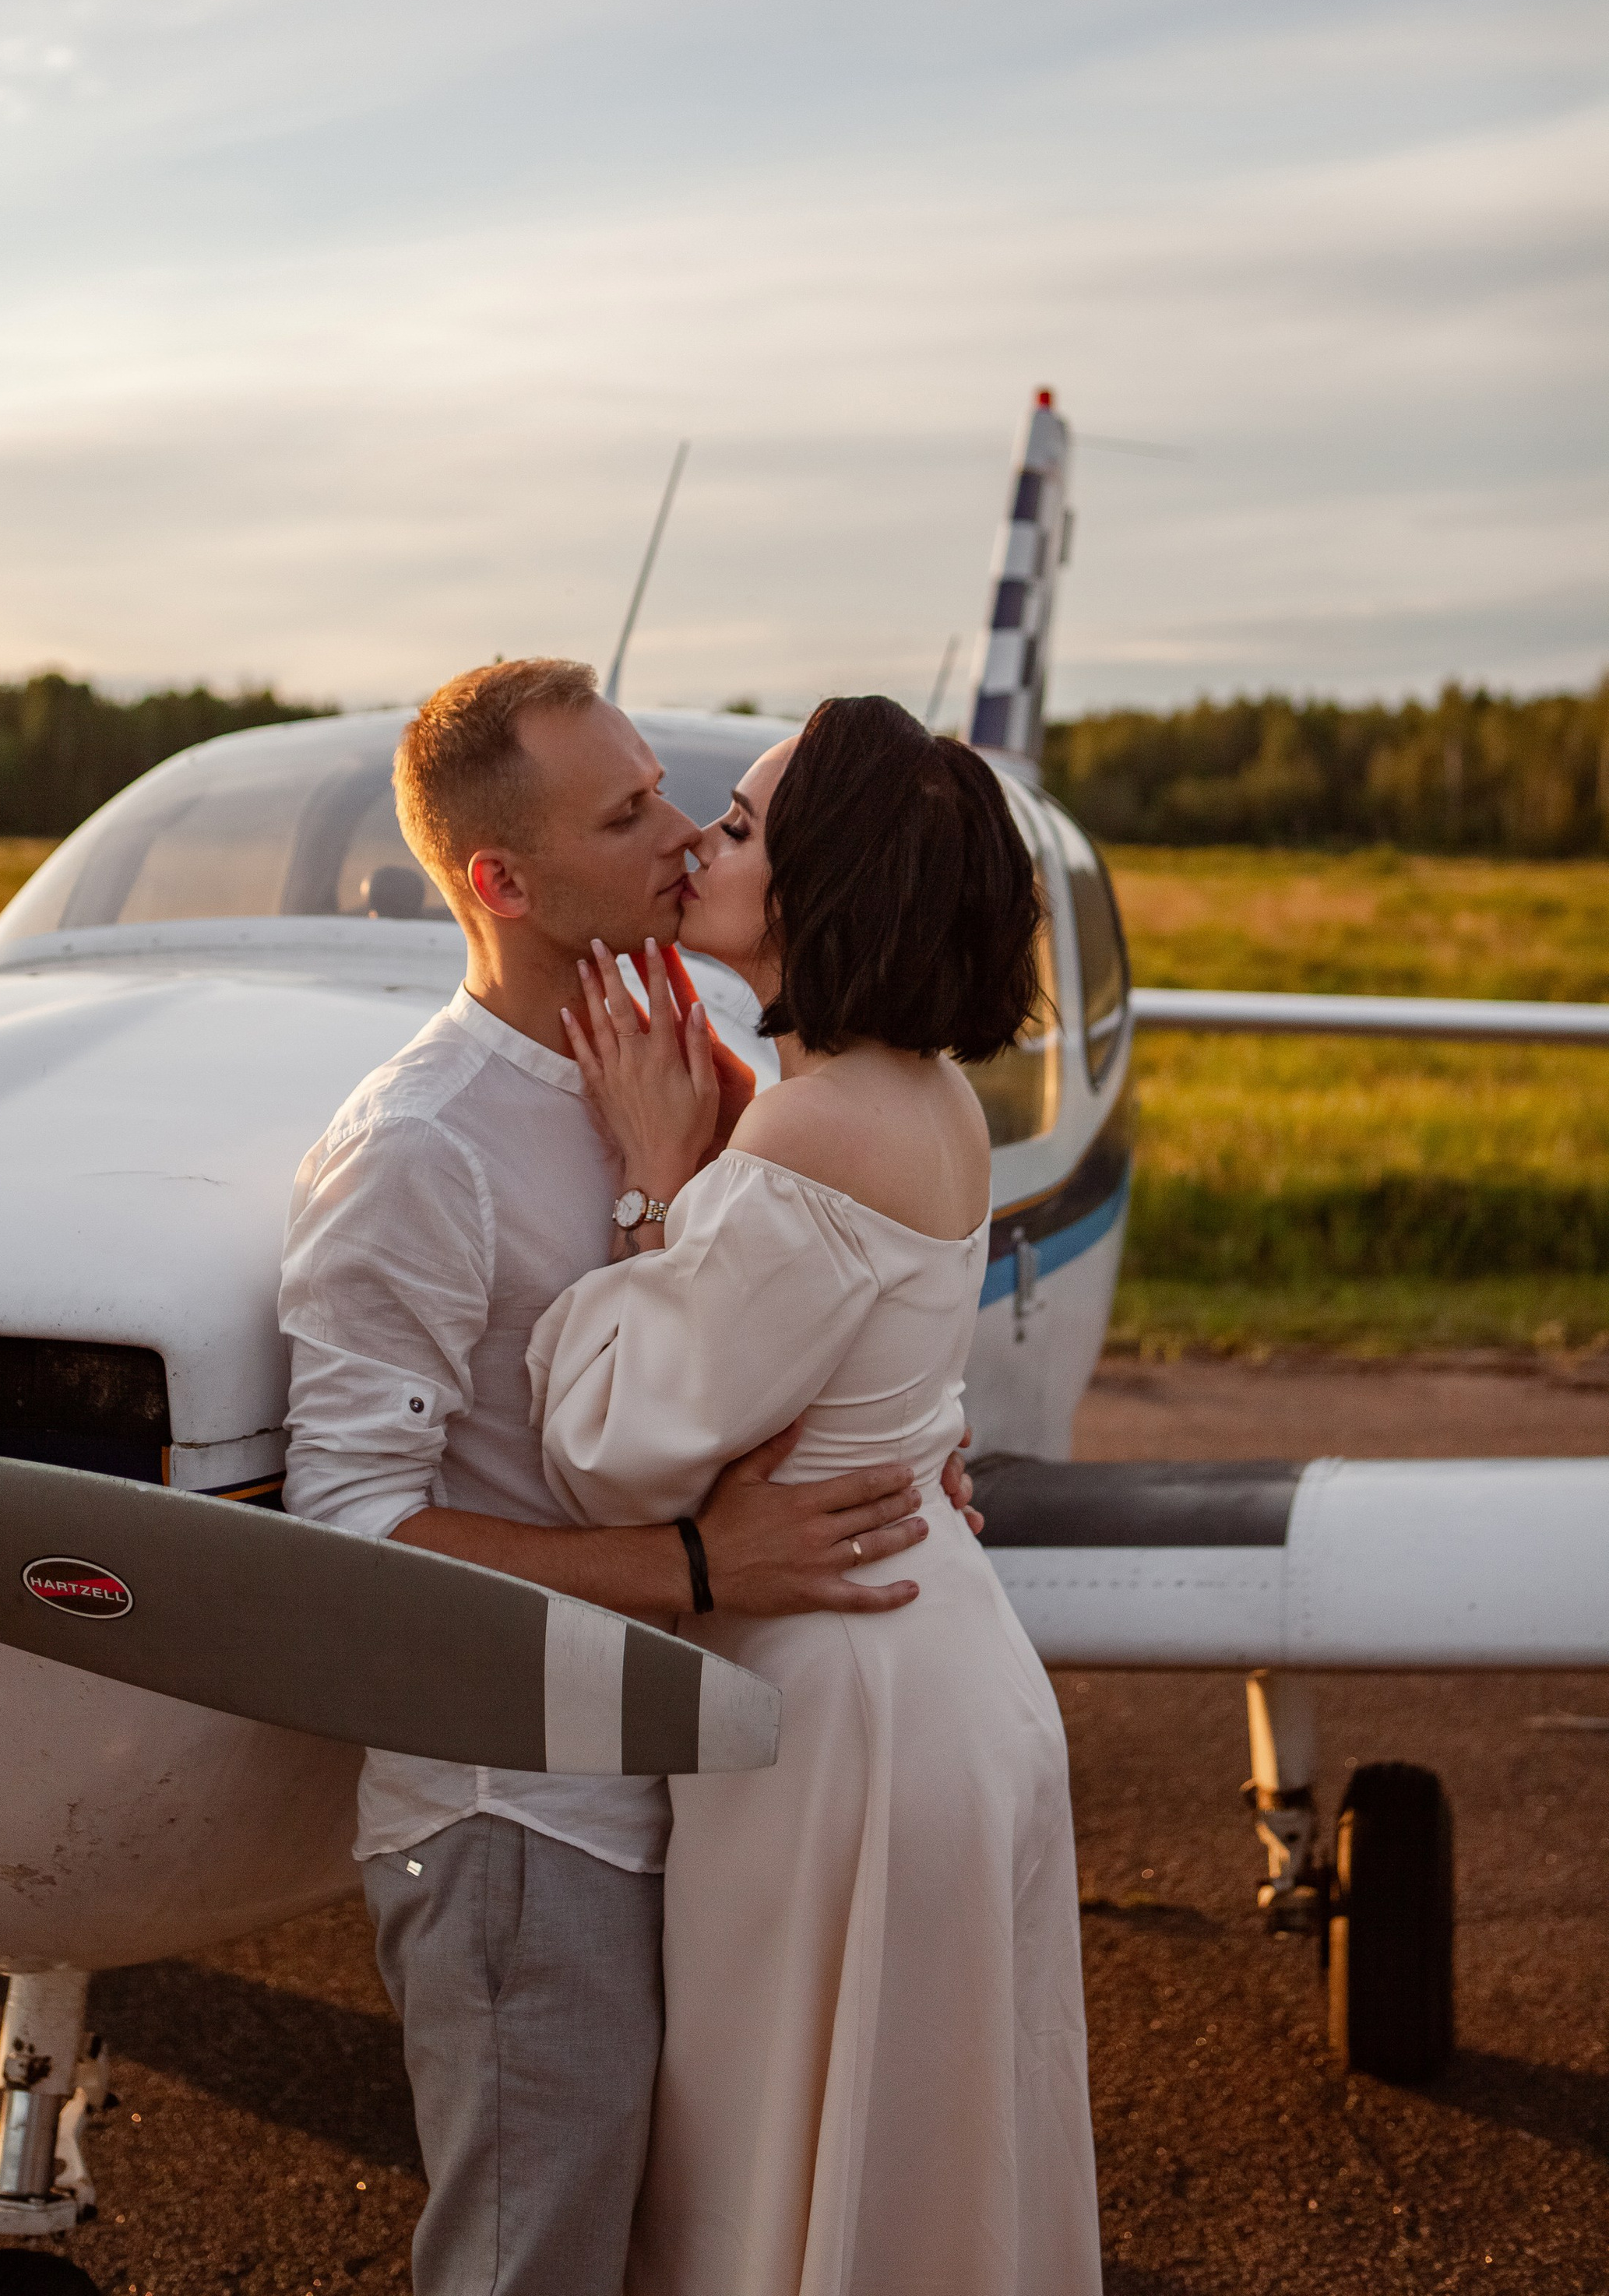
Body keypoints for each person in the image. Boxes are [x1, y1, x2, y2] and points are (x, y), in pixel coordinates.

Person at [279, 659, 979, 2296]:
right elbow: (354, 1531)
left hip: (704, 1787)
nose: (680, 836)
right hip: (531, 1817)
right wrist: (702, 1569)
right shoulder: (418, 1148)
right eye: (626, 816)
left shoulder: (699, 1043)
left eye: (670, 793)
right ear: (503, 883)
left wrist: (909, 1442)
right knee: (537, 2263)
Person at [530, 697, 1102, 2296]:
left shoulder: (812, 1128)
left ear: (819, 882)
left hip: (850, 1707)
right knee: (921, 2157)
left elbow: (615, 1448)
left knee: (794, 2149)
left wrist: (652, 1184)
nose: (700, 845)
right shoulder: (924, 1094)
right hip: (943, 1662)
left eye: (740, 826)